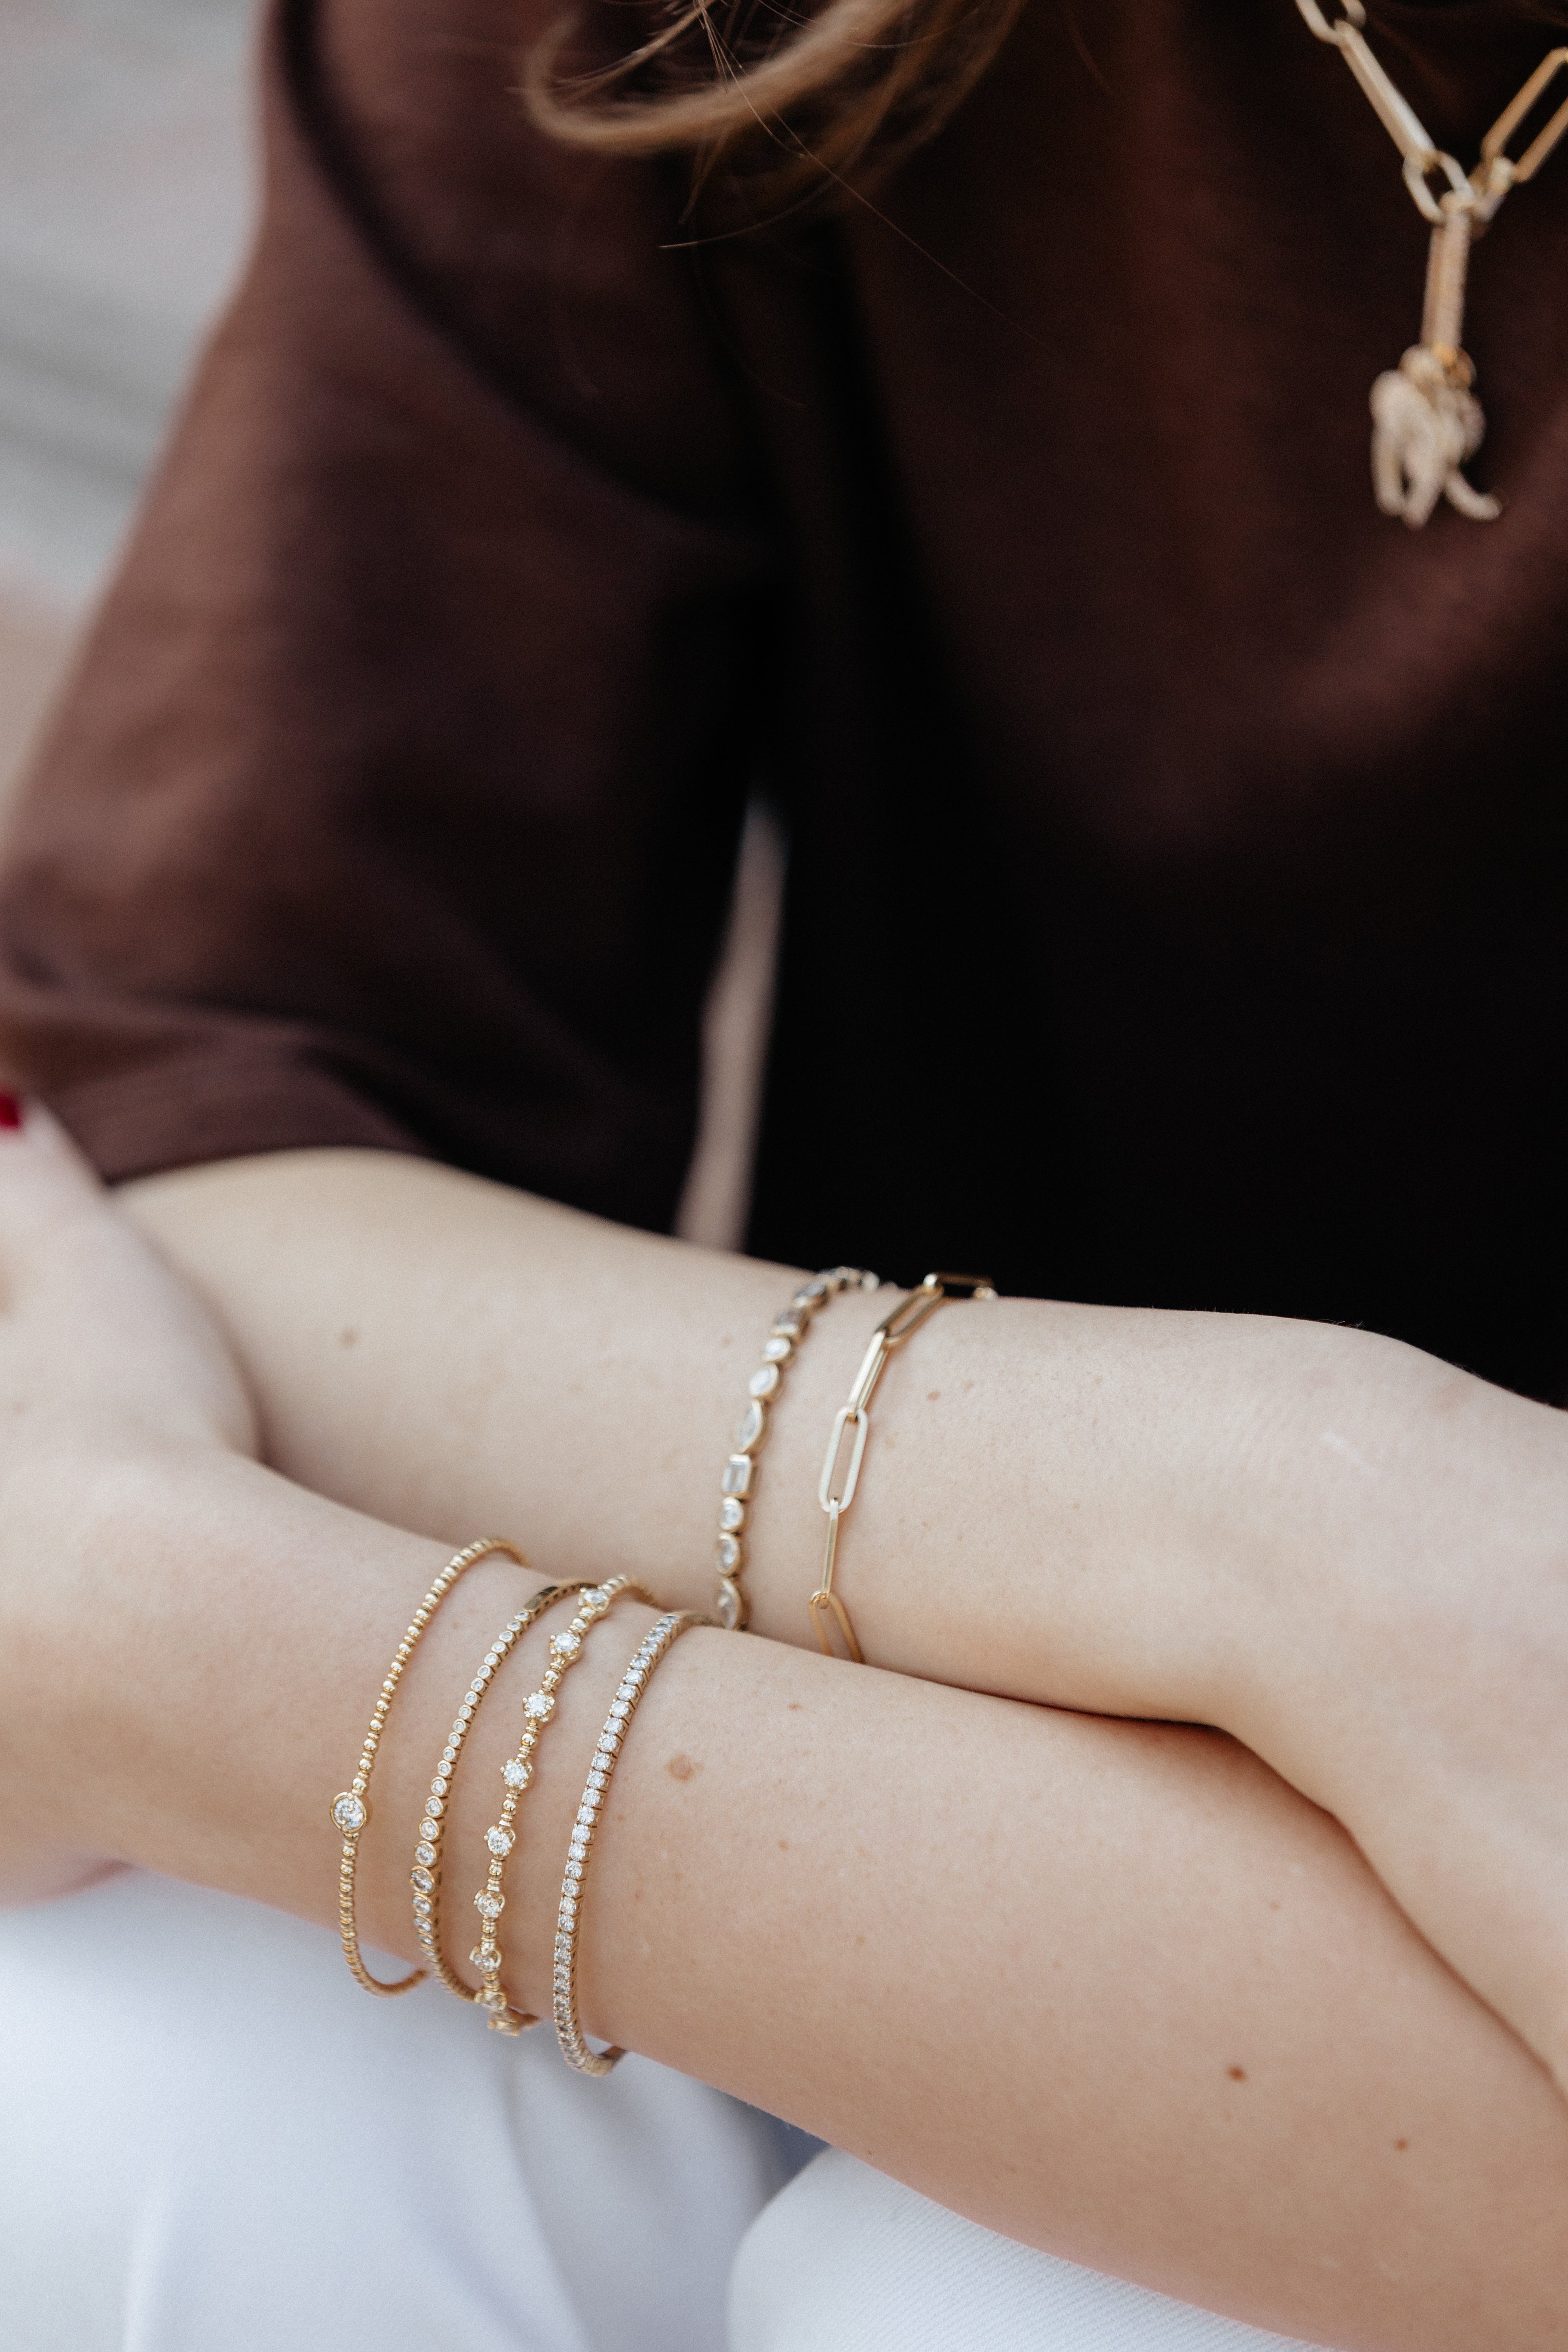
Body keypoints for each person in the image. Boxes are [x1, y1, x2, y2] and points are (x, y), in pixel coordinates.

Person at [3, 0, 1568, 2346]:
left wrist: (221, 1674)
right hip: (950, 1663)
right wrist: (1319, 1526)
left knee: (987, 2317)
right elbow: (194, 1122)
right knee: (148, 2088)